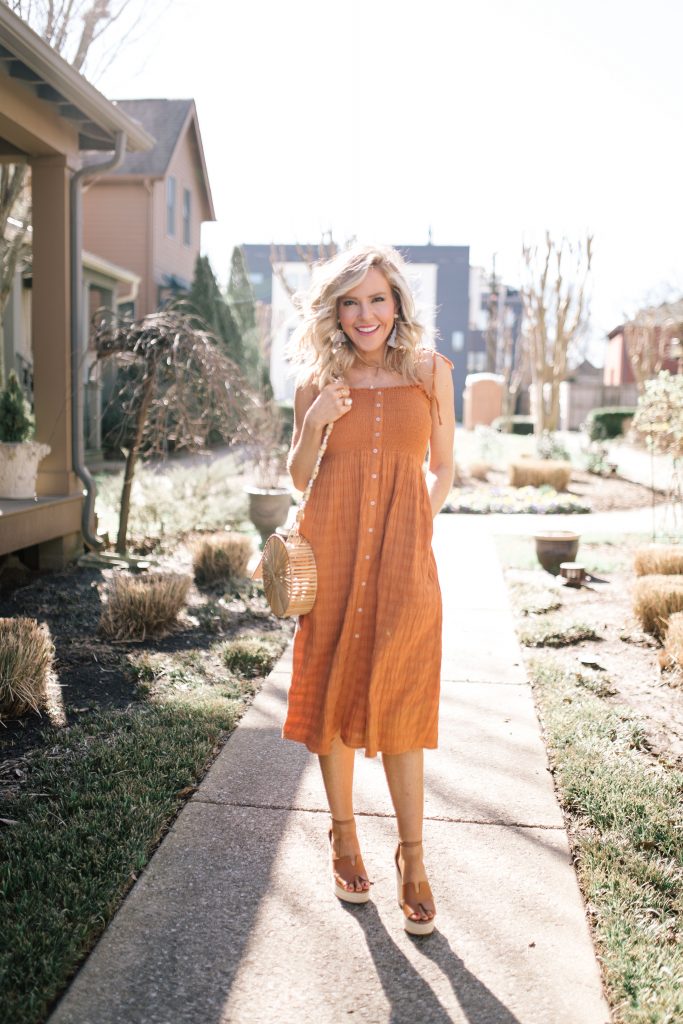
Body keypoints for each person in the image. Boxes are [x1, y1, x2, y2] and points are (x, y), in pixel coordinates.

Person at [284, 244, 454, 935]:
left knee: (403, 691)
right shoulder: (315, 383)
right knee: (332, 684)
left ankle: (412, 857)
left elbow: (443, 470)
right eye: (350, 302)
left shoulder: (429, 374)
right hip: (332, 554)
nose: (364, 314)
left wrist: (418, 526)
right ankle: (343, 834)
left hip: (403, 556)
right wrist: (314, 420)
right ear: (334, 311)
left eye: (377, 299)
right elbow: (299, 478)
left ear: (397, 304)